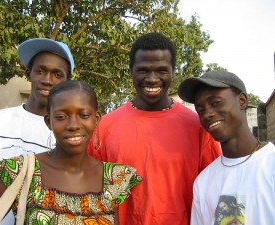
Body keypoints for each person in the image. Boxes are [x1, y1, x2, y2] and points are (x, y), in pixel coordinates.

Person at [88, 32, 221, 224]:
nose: (152, 79)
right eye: (143, 70)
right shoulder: (104, 128)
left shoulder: (197, 127)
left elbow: (214, 191)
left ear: (173, 72)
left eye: (161, 70)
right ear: (131, 70)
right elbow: (91, 192)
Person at [0, 80, 142, 224]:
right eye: (61, 117)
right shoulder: (20, 170)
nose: (73, 125)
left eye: (83, 115)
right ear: (49, 122)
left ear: (96, 119)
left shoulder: (114, 179)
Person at [0, 38, 74, 223]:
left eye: (57, 74)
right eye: (40, 71)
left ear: (67, 81)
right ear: (28, 74)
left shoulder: (70, 135)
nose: (47, 80)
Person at [178, 70, 275, 224]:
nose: (207, 114)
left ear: (242, 101)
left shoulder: (270, 165)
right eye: (200, 109)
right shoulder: (203, 183)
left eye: (216, 103)